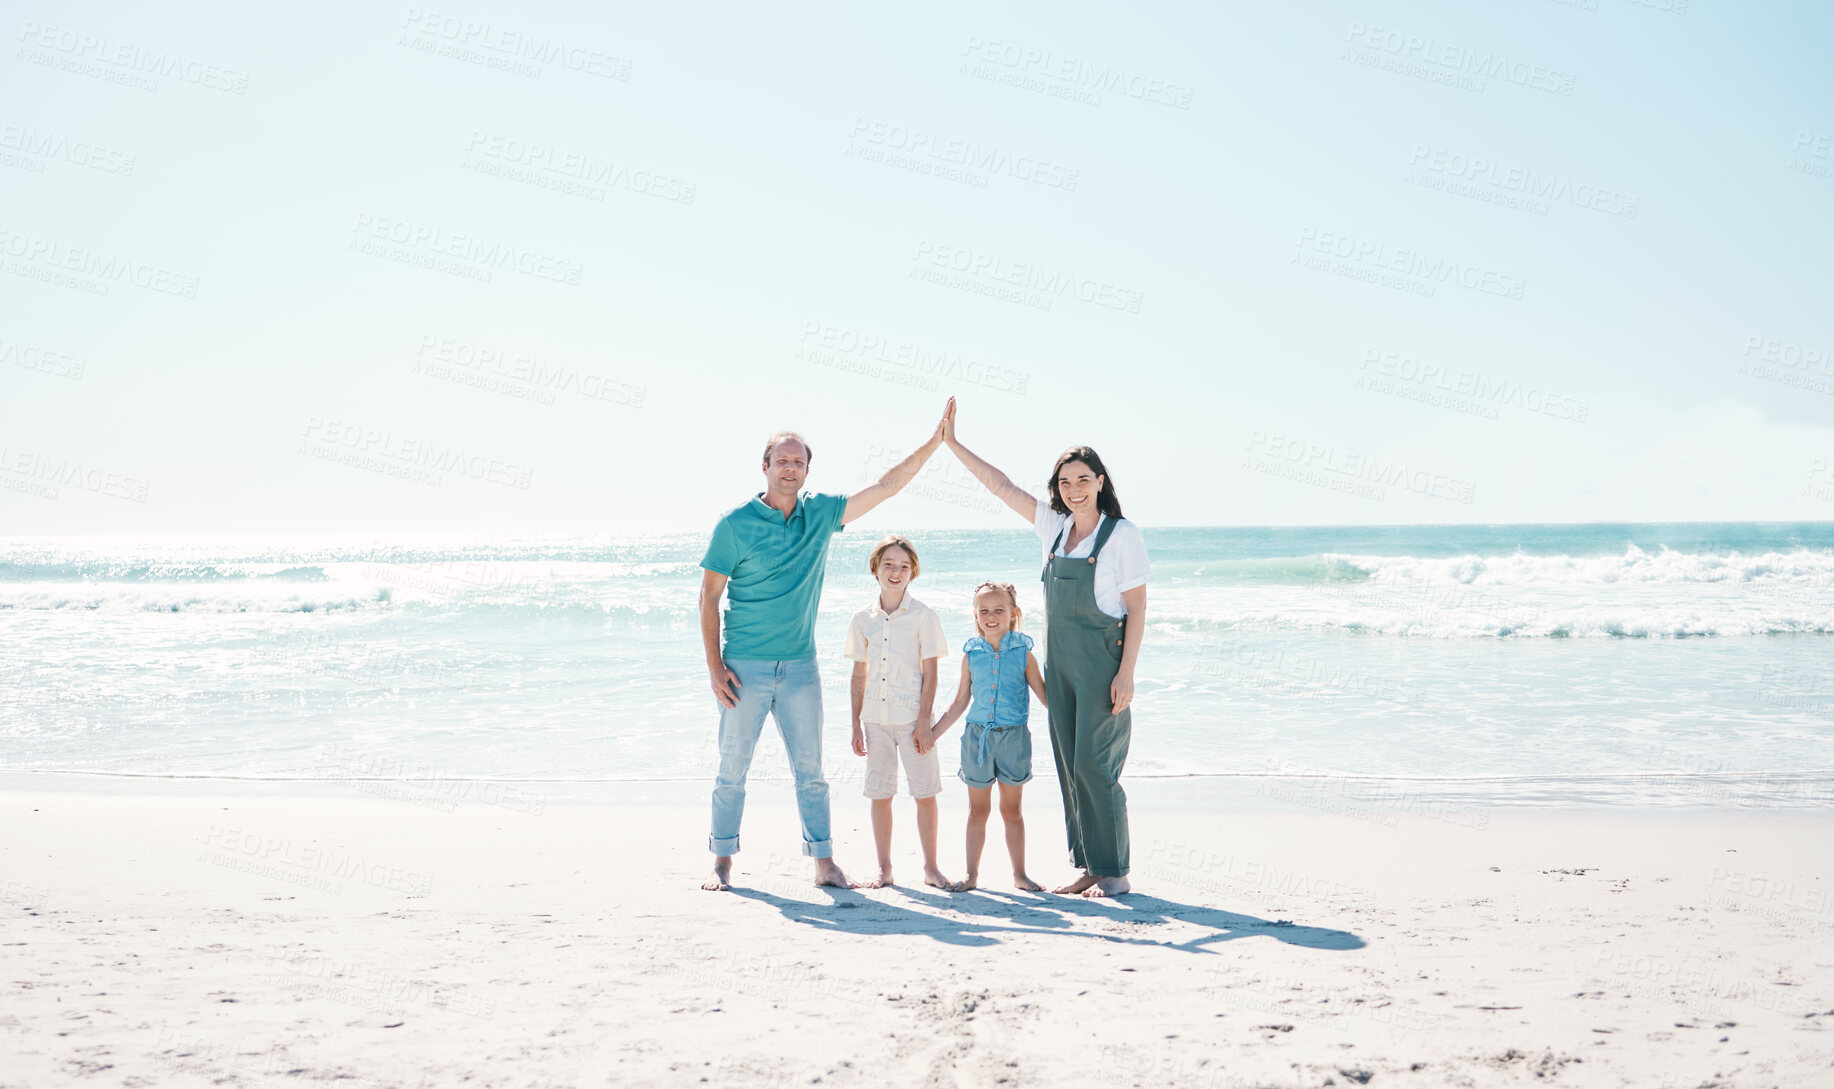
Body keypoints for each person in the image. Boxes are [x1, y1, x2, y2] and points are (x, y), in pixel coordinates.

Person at [699, 413, 945, 892]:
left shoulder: (821, 515)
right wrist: (714, 666)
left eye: (798, 462)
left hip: (800, 668)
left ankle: (824, 863)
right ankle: (722, 861)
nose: (789, 468)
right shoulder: (734, 524)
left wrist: (934, 443)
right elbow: (708, 596)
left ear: (807, 471)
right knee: (732, 769)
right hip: (743, 667)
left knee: (811, 772)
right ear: (765, 466)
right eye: (781, 461)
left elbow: (886, 485)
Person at [940, 399, 1149, 898]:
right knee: (1071, 765)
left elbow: (1137, 610)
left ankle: (1116, 869)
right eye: (1065, 482)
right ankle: (1092, 864)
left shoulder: (1121, 535)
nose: (1074, 489)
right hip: (1062, 669)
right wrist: (952, 444)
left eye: (1083, 479)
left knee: (1096, 765)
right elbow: (1002, 486)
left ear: (1101, 481)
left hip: (1103, 666)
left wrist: (1126, 674)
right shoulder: (1054, 531)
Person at [846, 535, 950, 890]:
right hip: (874, 722)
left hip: (912, 722)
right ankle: (885, 869)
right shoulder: (862, 619)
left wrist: (925, 721)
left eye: (904, 566)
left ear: (913, 572)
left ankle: (932, 868)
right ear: (876, 569)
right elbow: (858, 674)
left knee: (924, 794)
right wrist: (856, 725)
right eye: (889, 564)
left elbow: (932, 672)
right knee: (880, 794)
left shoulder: (924, 616)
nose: (896, 571)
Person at [930, 580, 1047, 893]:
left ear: (1013, 613)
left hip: (1014, 739)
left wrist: (1076, 721)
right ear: (975, 614)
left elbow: (1045, 697)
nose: (991, 616)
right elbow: (959, 702)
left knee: (1012, 811)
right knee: (977, 811)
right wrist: (934, 734)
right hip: (977, 740)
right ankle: (971, 875)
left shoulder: (1025, 654)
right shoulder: (971, 655)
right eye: (984, 611)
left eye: (998, 610)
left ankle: (1020, 874)